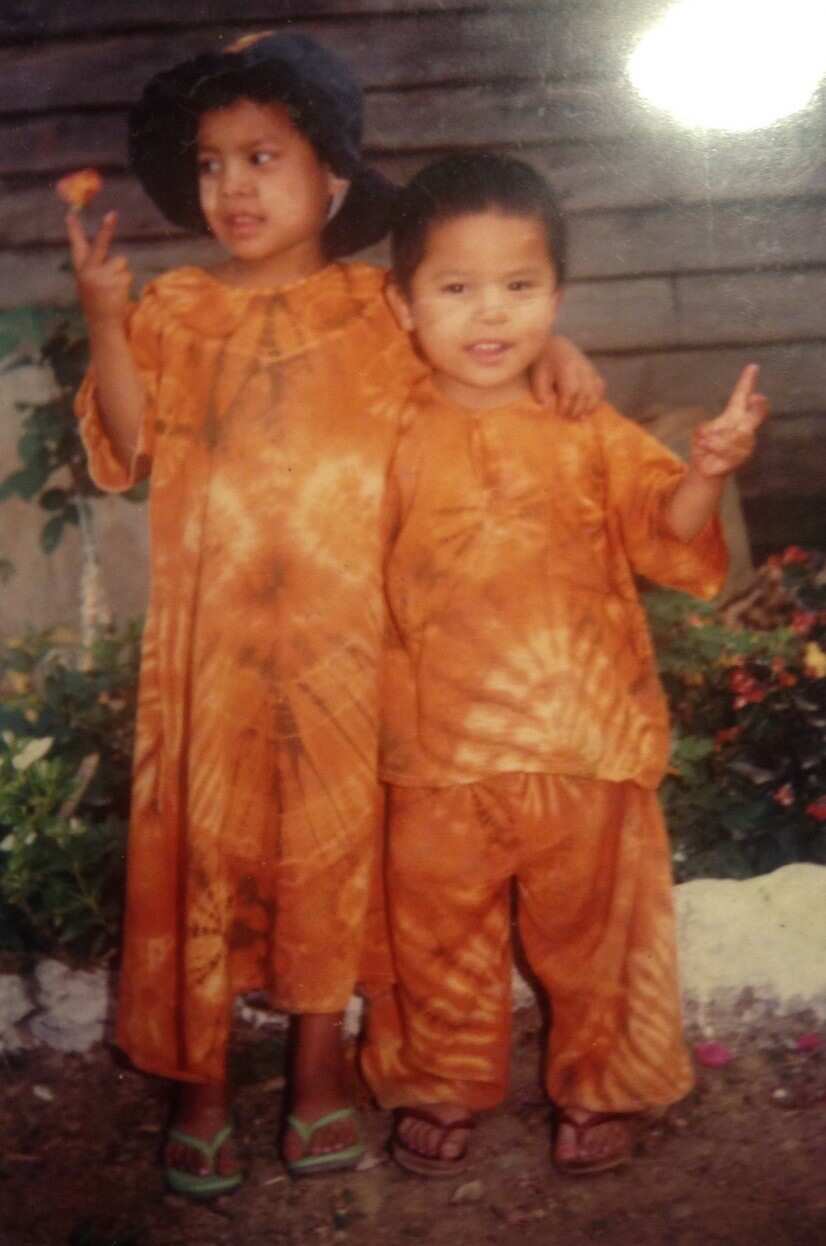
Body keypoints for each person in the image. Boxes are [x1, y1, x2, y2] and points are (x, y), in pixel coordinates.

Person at [67, 35, 602, 1197]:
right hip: (210, 655)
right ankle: (200, 1081)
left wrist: (550, 339)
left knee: (331, 856)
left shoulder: (378, 307)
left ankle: (317, 1069)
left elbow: (470, 344)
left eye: (265, 156)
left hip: (347, 648)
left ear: (337, 177)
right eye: (211, 165)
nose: (235, 189)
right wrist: (107, 319)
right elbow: (129, 443)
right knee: (202, 856)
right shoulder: (177, 308)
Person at [360, 152, 768, 1178]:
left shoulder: (585, 424)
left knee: (597, 936)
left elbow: (661, 534)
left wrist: (707, 473)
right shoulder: (382, 427)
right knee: (432, 934)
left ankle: (602, 1087)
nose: (489, 315)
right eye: (455, 289)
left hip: (584, 737)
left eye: (520, 287)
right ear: (401, 302)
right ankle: (440, 1081)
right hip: (434, 746)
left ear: (557, 293)